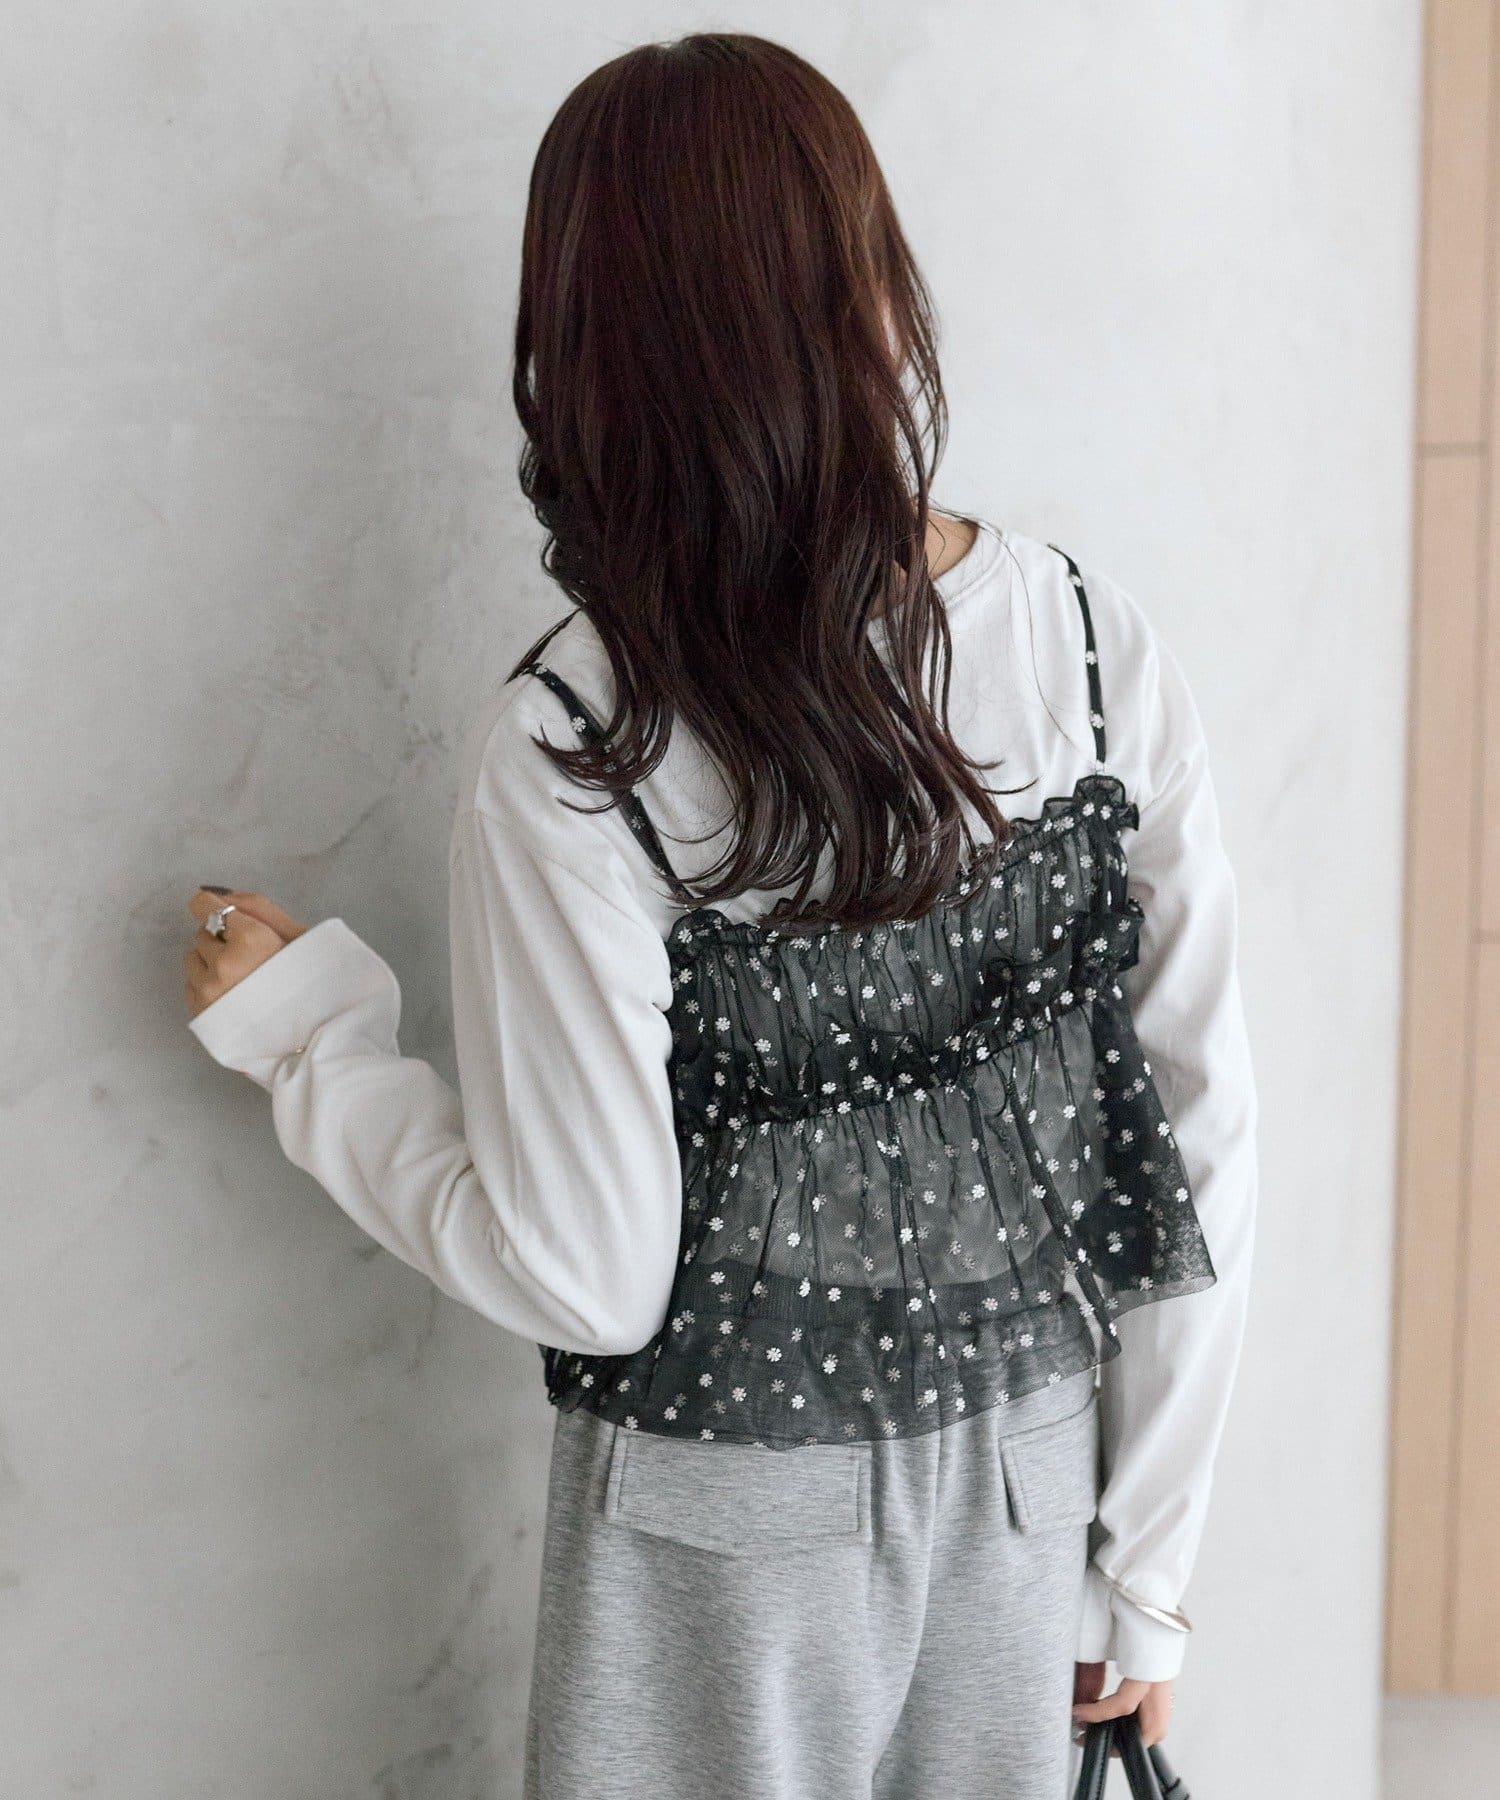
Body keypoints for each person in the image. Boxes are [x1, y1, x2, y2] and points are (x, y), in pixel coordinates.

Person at [182, 33, 1256, 1800]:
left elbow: (590, 1276)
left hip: (723, 1520)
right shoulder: (1087, 643)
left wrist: (316, 1048)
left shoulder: (579, 739)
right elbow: (1201, 1136)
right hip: (1031, 1495)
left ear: (590, 357)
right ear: (875, 295)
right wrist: (1146, 1576)